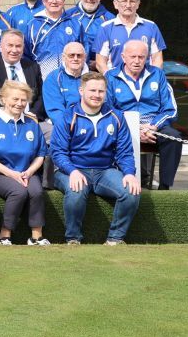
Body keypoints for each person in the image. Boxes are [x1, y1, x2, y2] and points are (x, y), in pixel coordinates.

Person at [49, 72, 140, 245]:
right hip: (71, 169)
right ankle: (73, 238)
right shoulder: (67, 117)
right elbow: (58, 152)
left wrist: (129, 173)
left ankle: (115, 238)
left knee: (131, 192)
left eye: (101, 91)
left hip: (104, 171)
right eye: (92, 90)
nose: (97, 95)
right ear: (81, 91)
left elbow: (125, 152)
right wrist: (72, 171)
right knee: (76, 191)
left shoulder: (116, 117)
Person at [106, 40, 181, 189]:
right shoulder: (110, 77)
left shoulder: (157, 74)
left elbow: (171, 109)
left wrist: (153, 126)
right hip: (123, 126)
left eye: (141, 57)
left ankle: (165, 188)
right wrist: (134, 128)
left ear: (147, 57)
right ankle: (120, 183)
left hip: (153, 125)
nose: (137, 61)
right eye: (133, 56)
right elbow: (108, 109)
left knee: (174, 138)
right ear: (123, 57)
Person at [0, 80, 49, 246]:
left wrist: (29, 172)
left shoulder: (32, 123)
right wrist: (12, 174)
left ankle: (36, 237)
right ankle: (4, 236)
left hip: (27, 171)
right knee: (18, 192)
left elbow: (40, 154)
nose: (19, 104)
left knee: (36, 192)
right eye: (15, 99)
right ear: (3, 99)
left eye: (23, 100)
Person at [0, 29, 44, 119]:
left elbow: (41, 96)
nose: (14, 50)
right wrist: (8, 115)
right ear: (0, 47)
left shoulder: (33, 67)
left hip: (31, 119)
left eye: (18, 46)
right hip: (0, 121)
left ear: (23, 48)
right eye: (10, 45)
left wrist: (32, 114)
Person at [95, 0, 166, 71]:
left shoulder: (151, 27)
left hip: (145, 80)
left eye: (132, 1)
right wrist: (111, 80)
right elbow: (100, 62)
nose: (128, 5)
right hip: (115, 80)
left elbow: (157, 59)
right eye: (124, 1)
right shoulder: (105, 28)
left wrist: (152, 79)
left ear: (138, 4)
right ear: (116, 4)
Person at [25, 0, 83, 77]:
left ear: (63, 1)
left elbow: (84, 52)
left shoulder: (76, 24)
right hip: (42, 79)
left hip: (71, 78)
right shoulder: (33, 25)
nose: (54, 1)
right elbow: (26, 55)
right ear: (44, 1)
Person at [66, 0, 113, 64]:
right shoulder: (68, 16)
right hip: (74, 65)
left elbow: (115, 46)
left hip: (100, 68)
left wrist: (100, 62)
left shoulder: (110, 19)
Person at [42, 42, 86, 118]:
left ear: (85, 57)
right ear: (63, 57)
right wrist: (73, 126)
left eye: (79, 56)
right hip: (65, 125)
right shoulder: (53, 78)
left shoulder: (93, 78)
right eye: (71, 55)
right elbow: (55, 111)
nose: (75, 59)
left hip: (91, 123)